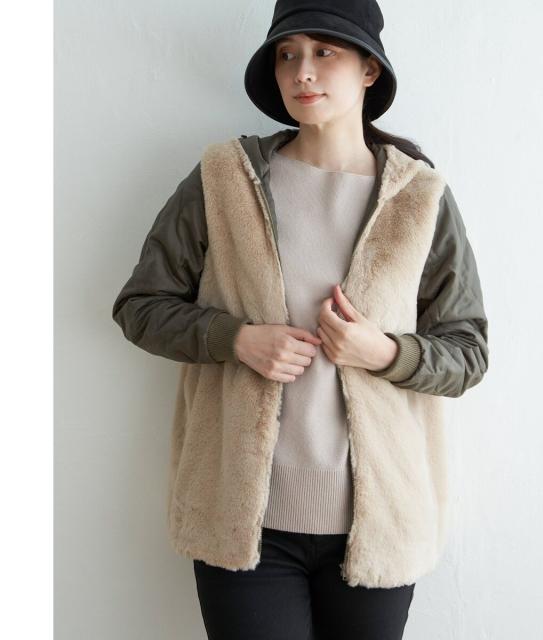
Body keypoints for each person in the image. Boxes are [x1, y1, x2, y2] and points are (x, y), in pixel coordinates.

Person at [112, 1, 489, 638]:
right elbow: (140, 306)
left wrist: (383, 352)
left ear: (369, 69)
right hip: (244, 521)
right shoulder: (224, 178)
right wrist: (235, 338)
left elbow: (468, 351)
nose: (301, 72)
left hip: (378, 524)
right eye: (287, 55)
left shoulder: (420, 196)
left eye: (324, 52)